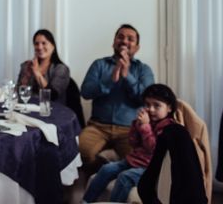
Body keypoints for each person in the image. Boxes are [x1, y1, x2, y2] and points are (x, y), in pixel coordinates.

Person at [82, 84, 177, 203]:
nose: (151, 109)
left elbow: (153, 148)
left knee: (125, 177)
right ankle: (86, 201)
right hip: (134, 160)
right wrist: (136, 126)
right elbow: (133, 143)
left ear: (169, 108)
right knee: (106, 168)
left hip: (150, 167)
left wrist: (145, 127)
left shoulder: (168, 127)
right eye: (147, 105)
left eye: (157, 105)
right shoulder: (148, 121)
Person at [79, 24, 155, 173]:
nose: (124, 41)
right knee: (81, 152)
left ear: (137, 47)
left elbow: (146, 99)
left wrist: (127, 76)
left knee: (138, 161)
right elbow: (86, 92)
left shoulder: (144, 69)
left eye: (130, 39)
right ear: (114, 42)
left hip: (130, 129)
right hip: (97, 126)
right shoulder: (99, 65)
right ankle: (100, 173)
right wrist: (110, 79)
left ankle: (110, 168)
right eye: (120, 37)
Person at [16, 29, 70, 104]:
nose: (40, 47)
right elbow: (18, 92)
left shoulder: (61, 69)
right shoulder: (26, 66)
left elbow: (53, 96)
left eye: (44, 43)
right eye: (36, 44)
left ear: (53, 46)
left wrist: (37, 73)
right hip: (26, 108)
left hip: (52, 111)